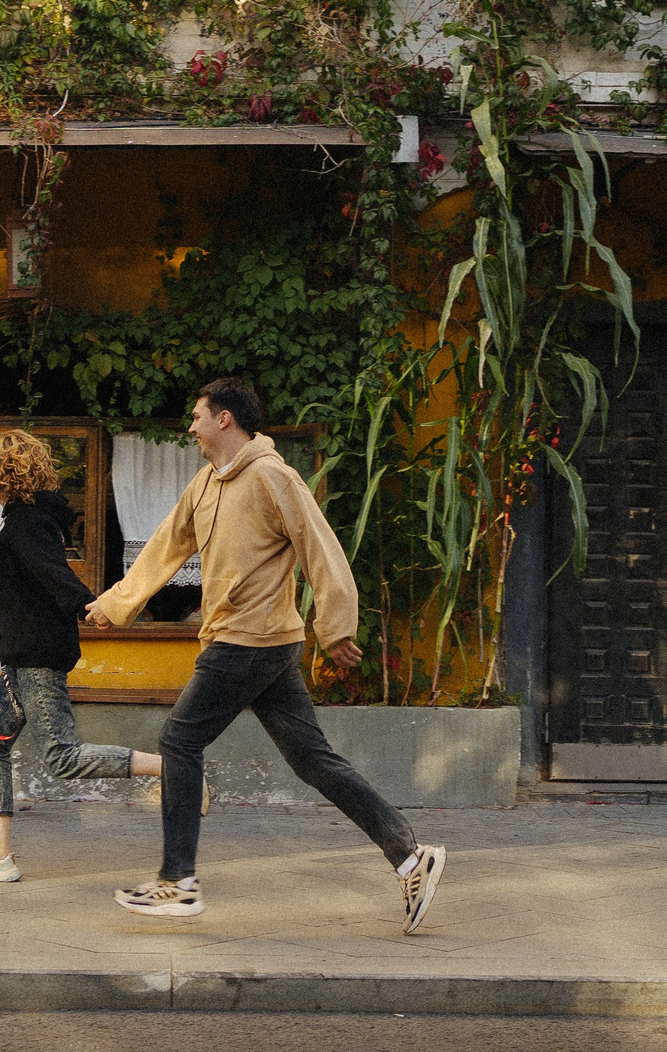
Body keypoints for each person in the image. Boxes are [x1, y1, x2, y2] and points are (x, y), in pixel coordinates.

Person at [86, 377, 446, 933]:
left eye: (197, 416)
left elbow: (318, 546)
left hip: (248, 639)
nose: (191, 426)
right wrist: (118, 603)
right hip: (259, 644)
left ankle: (178, 882)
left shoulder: (274, 477)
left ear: (224, 419)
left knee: (180, 741)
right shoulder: (206, 483)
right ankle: (408, 853)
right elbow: (164, 546)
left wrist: (336, 623)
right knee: (311, 759)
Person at [0, 430, 163, 882]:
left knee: (63, 757)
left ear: (6, 473)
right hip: (21, 657)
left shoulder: (27, 524)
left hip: (36, 656)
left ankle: (174, 767)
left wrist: (94, 608)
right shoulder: (21, 520)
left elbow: (53, 574)